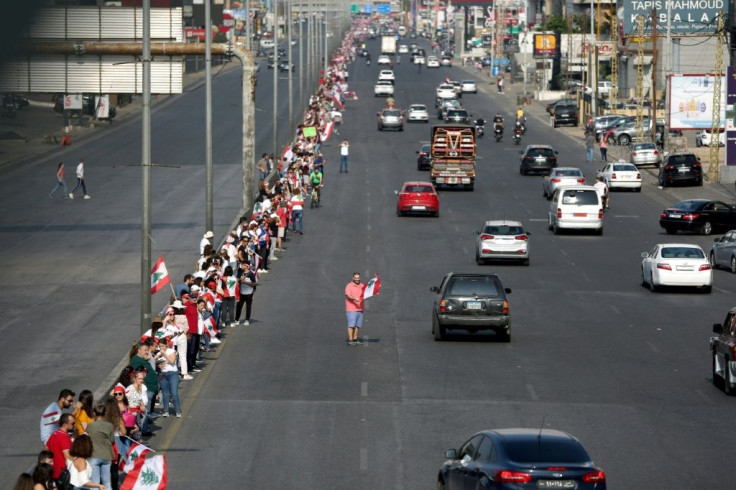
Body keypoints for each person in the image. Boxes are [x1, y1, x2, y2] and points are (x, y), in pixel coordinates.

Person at [86, 402, 114, 489]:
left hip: (94, 455)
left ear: (94, 413)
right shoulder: (110, 425)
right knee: (107, 482)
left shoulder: (90, 426)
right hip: (107, 455)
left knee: (95, 483)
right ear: (105, 413)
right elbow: (112, 440)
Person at [47, 413, 74, 482]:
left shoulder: (53, 435)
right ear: (65, 424)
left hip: (53, 472)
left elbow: (45, 450)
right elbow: (68, 456)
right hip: (63, 473)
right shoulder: (64, 437)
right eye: (72, 423)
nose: (74, 426)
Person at [158, 338, 182, 418]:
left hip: (172, 374)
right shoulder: (159, 353)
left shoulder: (171, 351)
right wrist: (158, 364)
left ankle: (177, 410)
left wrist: (164, 354)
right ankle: (166, 410)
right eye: (160, 346)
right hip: (163, 374)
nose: (161, 348)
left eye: (163, 346)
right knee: (165, 393)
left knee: (174, 393)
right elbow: (156, 362)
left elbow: (172, 362)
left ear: (166, 345)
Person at [344, 272, 365, 346]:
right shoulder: (349, 286)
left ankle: (355, 339)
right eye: (355, 278)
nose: (357, 279)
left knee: (357, 325)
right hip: (351, 309)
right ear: (353, 278)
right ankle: (350, 340)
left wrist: (377, 287)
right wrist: (354, 298)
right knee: (351, 325)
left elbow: (368, 291)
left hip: (360, 308)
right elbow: (348, 296)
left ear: (360, 278)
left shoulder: (362, 286)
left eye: (358, 278)